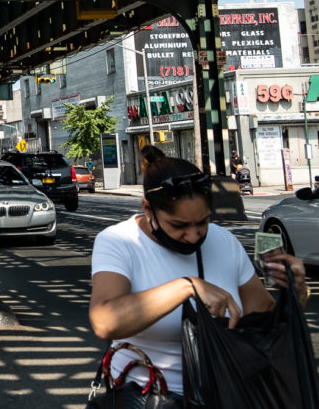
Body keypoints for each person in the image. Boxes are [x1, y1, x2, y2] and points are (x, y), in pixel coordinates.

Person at [89, 146, 308, 404]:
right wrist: (187, 286)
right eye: (179, 225)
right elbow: (105, 321)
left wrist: (296, 292)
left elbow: (265, 324)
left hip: (225, 395)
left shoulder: (224, 241)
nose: (193, 236)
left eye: (202, 222)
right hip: (149, 399)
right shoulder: (118, 242)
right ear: (148, 209)